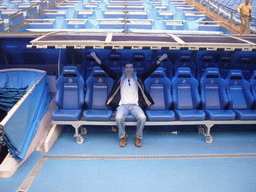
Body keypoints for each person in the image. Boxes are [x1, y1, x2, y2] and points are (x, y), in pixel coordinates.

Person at [90, 52, 167, 147]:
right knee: (118, 118)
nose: (129, 69)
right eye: (127, 67)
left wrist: (160, 60)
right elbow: (106, 68)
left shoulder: (139, 77)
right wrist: (95, 57)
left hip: (135, 105)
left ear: (133, 69)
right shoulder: (119, 77)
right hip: (123, 105)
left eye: (131, 67)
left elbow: (151, 70)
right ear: (124, 69)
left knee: (142, 118)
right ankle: (123, 136)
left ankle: (138, 137)